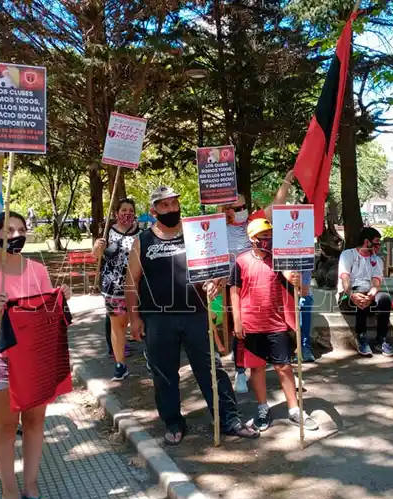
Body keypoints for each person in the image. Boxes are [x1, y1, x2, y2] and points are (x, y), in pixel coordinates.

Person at [125, 186, 258, 445]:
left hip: (196, 314)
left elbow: (216, 268)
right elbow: (131, 281)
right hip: (157, 318)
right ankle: (174, 422)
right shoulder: (143, 241)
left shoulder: (195, 233)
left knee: (211, 369)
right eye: (165, 205)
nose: (172, 209)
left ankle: (229, 419)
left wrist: (216, 282)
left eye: (174, 203)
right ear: (153, 210)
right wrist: (134, 318)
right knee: (164, 373)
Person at [0, 211, 71, 499]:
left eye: (21, 229)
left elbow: (48, 315)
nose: (16, 235)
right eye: (9, 230)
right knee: (6, 426)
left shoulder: (38, 270)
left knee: (35, 423)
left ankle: (31, 484)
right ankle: (9, 488)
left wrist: (60, 299)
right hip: (0, 359)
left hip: (36, 358)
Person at [230, 218, 318, 431]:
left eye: (270, 235)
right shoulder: (241, 261)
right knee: (257, 368)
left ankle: (294, 409)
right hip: (251, 323)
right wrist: (237, 321)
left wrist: (296, 281)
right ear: (252, 238)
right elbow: (234, 291)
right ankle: (262, 408)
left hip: (277, 322)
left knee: (284, 367)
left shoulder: (280, 260)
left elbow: (299, 288)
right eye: (263, 236)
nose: (267, 239)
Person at [222, 172, 294, 393]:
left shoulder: (255, 221)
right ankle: (240, 371)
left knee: (267, 325)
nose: (240, 210)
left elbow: (276, 206)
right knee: (237, 328)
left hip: (260, 279)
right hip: (231, 283)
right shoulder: (219, 227)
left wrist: (286, 181)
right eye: (235, 208)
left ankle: (275, 366)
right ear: (226, 209)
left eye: (243, 206)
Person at [92, 198, 140, 381]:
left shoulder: (142, 233)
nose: (127, 213)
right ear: (116, 213)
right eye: (123, 210)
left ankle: (152, 359)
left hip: (138, 289)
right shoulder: (107, 232)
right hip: (113, 288)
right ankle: (120, 365)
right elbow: (96, 256)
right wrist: (97, 248)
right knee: (118, 326)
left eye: (130, 210)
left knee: (143, 324)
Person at [337, 227, 393, 357]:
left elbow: (376, 282)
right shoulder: (348, 255)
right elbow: (345, 278)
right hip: (347, 295)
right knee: (360, 293)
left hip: (368, 294)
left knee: (385, 298)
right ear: (366, 242)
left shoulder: (377, 260)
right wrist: (351, 294)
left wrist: (372, 294)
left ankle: (381, 339)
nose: (379, 246)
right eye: (376, 243)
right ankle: (361, 336)